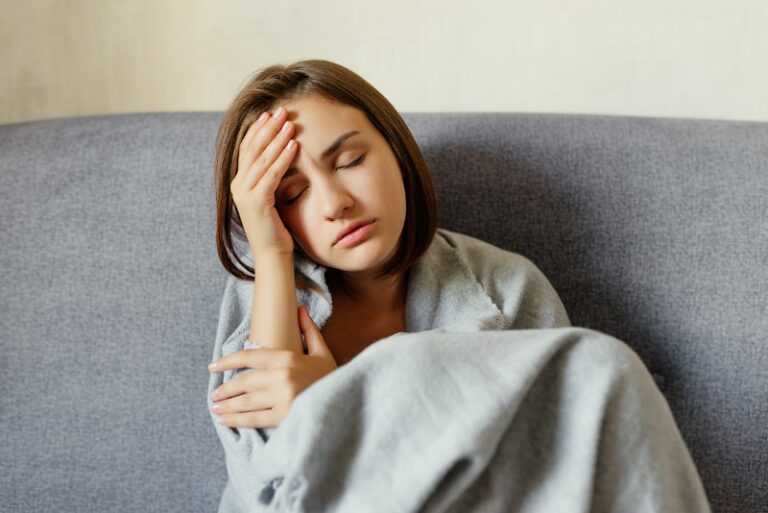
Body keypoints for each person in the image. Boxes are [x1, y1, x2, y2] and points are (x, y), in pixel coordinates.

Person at [207, 59, 711, 512]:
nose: (334, 202)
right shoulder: (264, 296)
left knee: (605, 367)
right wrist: (271, 255)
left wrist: (331, 405)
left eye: (350, 162)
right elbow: (266, 492)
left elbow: (550, 474)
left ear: (396, 152)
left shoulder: (508, 287)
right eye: (293, 194)